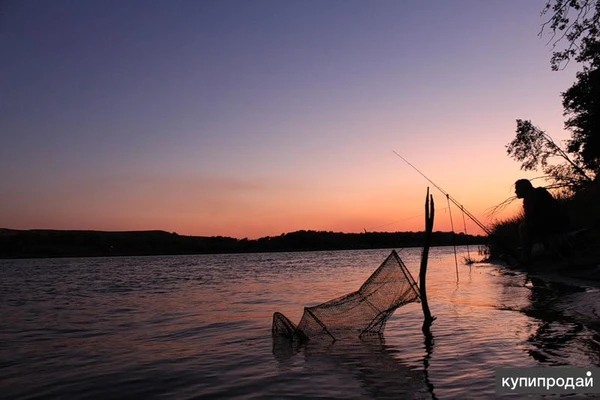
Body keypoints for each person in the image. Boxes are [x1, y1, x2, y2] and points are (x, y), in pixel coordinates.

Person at [514, 179, 570, 265]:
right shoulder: (539, 193)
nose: (515, 192)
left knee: (523, 227)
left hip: (550, 225)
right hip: (557, 224)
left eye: (517, 189)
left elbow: (530, 217)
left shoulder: (531, 197)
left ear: (523, 189)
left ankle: (525, 258)